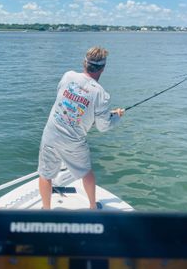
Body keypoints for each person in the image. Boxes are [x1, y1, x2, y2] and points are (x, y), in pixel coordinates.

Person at [38, 46, 125, 209]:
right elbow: (103, 126)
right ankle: (92, 207)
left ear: (84, 63)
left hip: (51, 134)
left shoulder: (68, 76)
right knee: (86, 172)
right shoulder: (101, 94)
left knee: (45, 174)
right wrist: (116, 116)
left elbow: (64, 99)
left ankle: (46, 210)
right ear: (103, 68)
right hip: (73, 142)